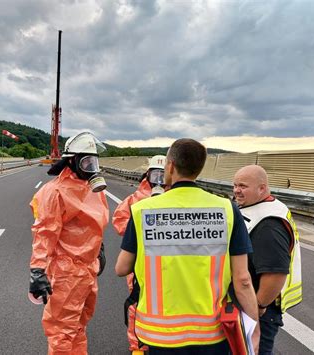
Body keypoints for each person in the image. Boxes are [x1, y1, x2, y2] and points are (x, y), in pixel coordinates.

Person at [115, 138, 260, 354]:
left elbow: (121, 268)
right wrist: (253, 333)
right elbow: (243, 280)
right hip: (213, 333)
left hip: (159, 335)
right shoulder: (226, 209)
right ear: (199, 169)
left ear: (171, 166)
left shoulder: (143, 210)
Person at [28, 132, 109, 355]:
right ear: (72, 161)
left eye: (94, 161)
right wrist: (38, 270)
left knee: (79, 326)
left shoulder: (93, 190)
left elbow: (96, 224)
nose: (91, 167)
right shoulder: (54, 192)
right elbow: (44, 233)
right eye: (86, 161)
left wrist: (99, 248)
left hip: (88, 270)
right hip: (66, 273)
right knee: (62, 332)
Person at [233, 165, 302, 355]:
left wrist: (259, 305)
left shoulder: (268, 224)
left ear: (262, 188)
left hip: (260, 311)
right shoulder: (264, 206)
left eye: (243, 186)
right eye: (235, 185)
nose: (236, 190)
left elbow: (276, 272)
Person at [112, 155, 167, 354]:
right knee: (138, 303)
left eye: (163, 175)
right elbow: (119, 222)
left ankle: (164, 342)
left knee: (168, 305)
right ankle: (138, 347)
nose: (159, 180)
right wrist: (140, 231)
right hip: (140, 264)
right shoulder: (135, 200)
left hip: (170, 264)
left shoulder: (176, 198)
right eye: (155, 174)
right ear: (147, 175)